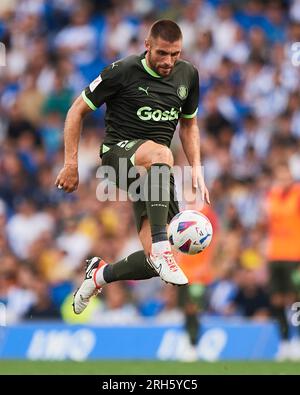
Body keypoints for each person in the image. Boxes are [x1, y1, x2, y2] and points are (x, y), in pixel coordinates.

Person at [55, 19, 210, 315]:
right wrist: (71, 163)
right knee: (162, 154)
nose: (168, 61)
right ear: (147, 46)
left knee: (154, 259)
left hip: (154, 172)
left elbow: (189, 125)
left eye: (175, 54)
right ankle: (163, 249)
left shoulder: (188, 75)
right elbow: (76, 111)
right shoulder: (122, 71)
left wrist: (198, 170)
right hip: (118, 158)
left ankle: (99, 275)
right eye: (162, 53)